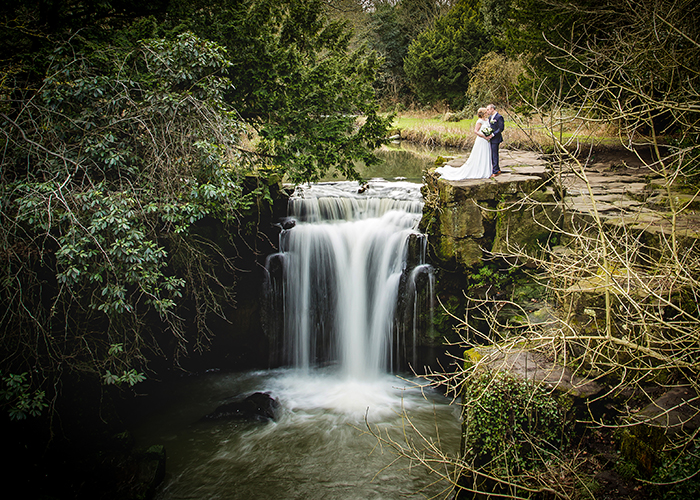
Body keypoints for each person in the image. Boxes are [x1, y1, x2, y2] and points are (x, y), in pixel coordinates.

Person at [435, 108, 492, 180]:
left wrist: (489, 135)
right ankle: (479, 170)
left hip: (486, 141)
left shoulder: (487, 120)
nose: (487, 112)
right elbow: (476, 131)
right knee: (479, 154)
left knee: (485, 154)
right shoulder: (479, 121)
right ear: (483, 113)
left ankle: (486, 170)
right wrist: (484, 136)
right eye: (486, 112)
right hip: (481, 140)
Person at [486, 104, 504, 177]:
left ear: (492, 109)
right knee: (492, 154)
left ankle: (495, 171)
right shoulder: (490, 117)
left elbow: (501, 128)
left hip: (496, 138)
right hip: (491, 138)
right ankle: (497, 169)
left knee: (494, 155)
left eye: (488, 109)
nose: (487, 111)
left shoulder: (499, 117)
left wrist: (493, 134)